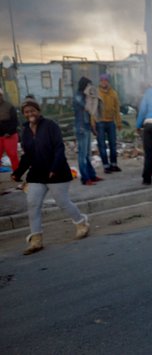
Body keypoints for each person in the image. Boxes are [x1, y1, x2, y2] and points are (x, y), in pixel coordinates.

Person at [10, 99, 90, 255]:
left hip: (57, 172)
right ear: (24, 114)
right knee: (33, 204)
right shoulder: (25, 130)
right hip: (37, 174)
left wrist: (54, 167)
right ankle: (36, 239)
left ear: (38, 111)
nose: (30, 114)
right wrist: (18, 172)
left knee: (62, 202)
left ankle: (81, 223)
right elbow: (27, 155)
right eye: (27, 112)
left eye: (32, 110)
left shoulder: (50, 125)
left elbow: (59, 147)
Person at [73, 77, 102, 185]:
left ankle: (92, 175)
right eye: (88, 85)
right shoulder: (78, 96)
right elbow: (87, 107)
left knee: (87, 154)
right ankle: (85, 178)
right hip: (81, 127)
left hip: (86, 126)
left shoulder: (85, 96)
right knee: (82, 154)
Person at [96, 73, 123, 174]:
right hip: (100, 122)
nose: (104, 82)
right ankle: (106, 166)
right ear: (100, 82)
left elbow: (117, 109)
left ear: (108, 82)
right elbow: (93, 110)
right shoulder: (97, 93)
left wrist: (119, 122)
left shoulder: (113, 93)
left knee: (113, 144)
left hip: (111, 121)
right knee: (102, 145)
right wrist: (93, 123)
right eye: (102, 80)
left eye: (106, 80)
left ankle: (114, 164)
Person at [0, 87, 19, 172]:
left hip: (9, 135)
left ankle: (17, 173)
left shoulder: (9, 106)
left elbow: (15, 121)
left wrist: (9, 132)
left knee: (12, 154)